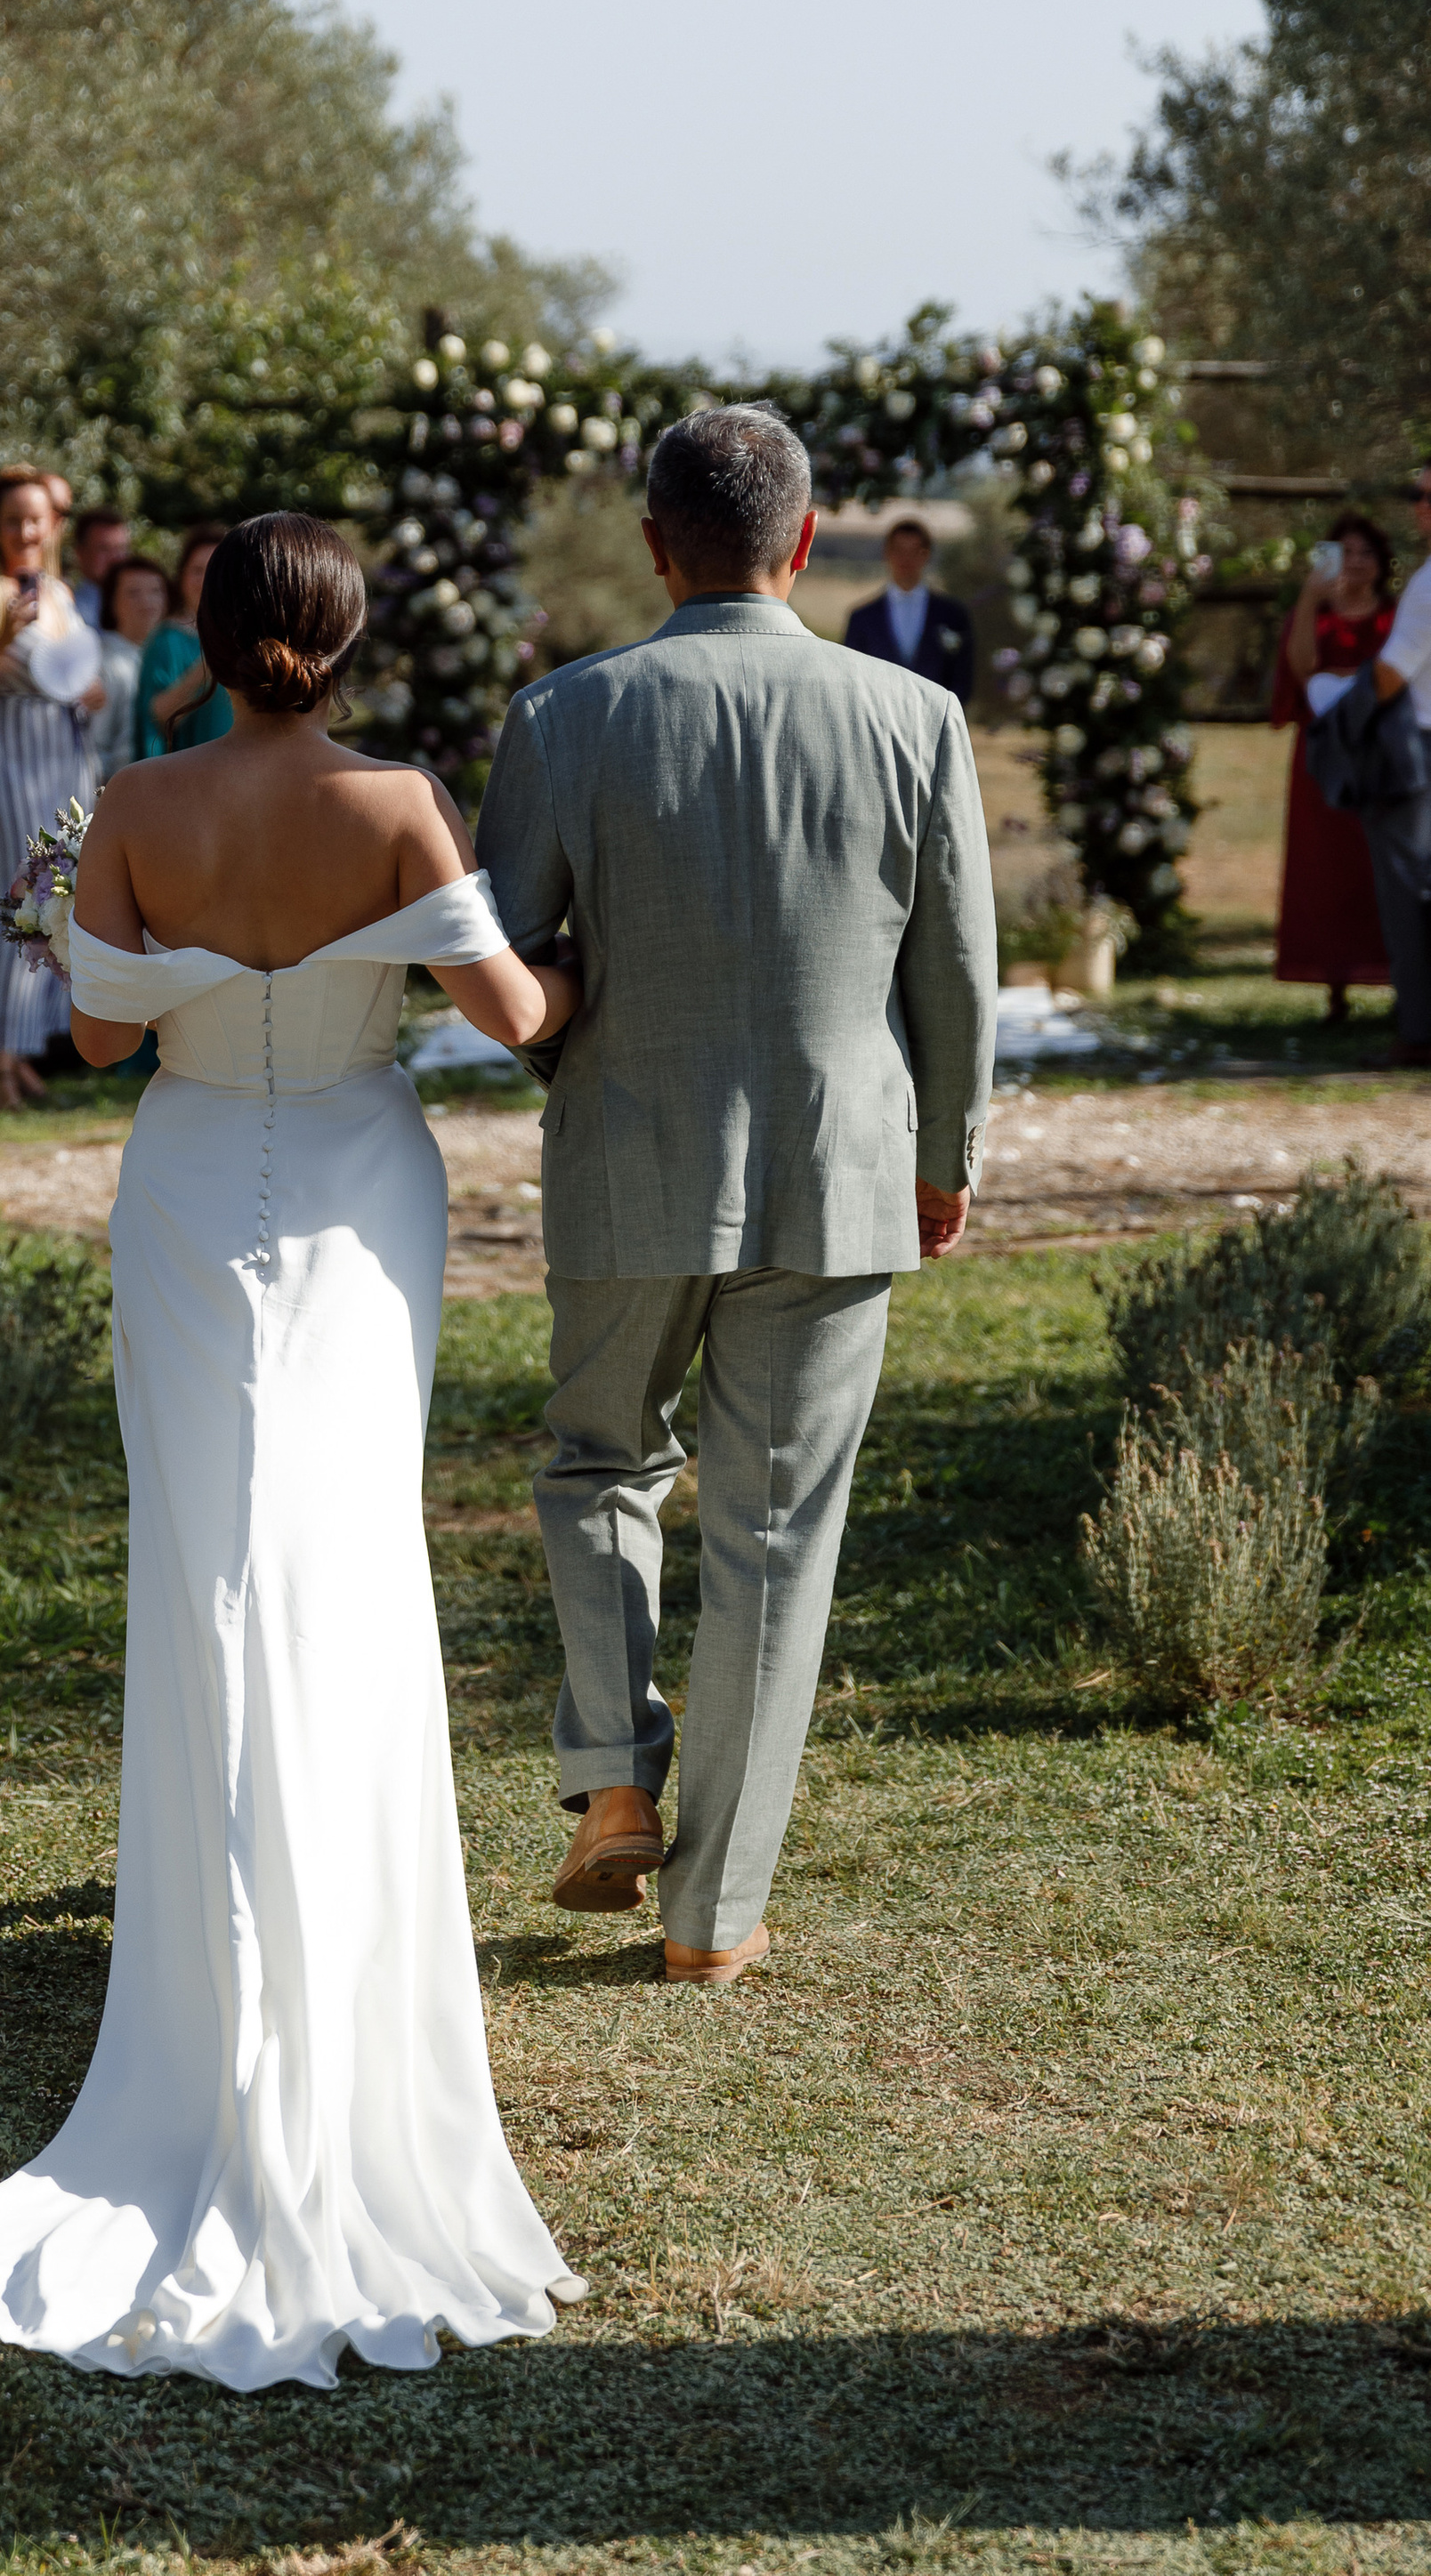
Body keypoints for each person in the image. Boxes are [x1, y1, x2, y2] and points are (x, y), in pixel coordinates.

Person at [0, 513, 586, 2388]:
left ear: (199, 638)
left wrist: (77, 905)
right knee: (346, 1559)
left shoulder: (134, 800)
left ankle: (212, 1987)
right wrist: (580, 953)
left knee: (210, 1569)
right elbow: (516, 1016)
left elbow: (97, 1040)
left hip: (194, 1187)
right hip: (361, 1189)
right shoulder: (400, 802)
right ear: (348, 638)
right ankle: (345, 1963)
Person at [476, 405, 996, 1984]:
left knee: (598, 1463)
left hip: (628, 1150)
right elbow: (959, 976)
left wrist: (573, 1059)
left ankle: (613, 1780)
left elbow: (503, 963)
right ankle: (711, 1922)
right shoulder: (915, 717)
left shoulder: (562, 716)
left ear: (654, 544)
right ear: (808, 536)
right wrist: (946, 1154)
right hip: (841, 1169)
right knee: (776, 1537)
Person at [0, 464, 108, 1110]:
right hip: (7, 754)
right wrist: (2, 637)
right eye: (12, 520)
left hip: (66, 756)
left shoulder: (64, 595)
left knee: (60, 902)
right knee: (16, 901)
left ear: (52, 524)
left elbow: (82, 680)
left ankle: (22, 1054)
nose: (25, 531)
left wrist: (91, 690)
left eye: (35, 518)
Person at [1272, 512, 1394, 1022]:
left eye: (1367, 552)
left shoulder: (1397, 616)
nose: (1357, 562)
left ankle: (1400, 981)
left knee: (1384, 862)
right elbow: (1301, 668)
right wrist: (1308, 600)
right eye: (1347, 552)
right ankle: (1334, 985)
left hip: (1381, 749)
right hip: (1324, 752)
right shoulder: (1315, 617)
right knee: (1324, 867)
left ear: (1382, 562)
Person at [1364, 463, 1431, 1064]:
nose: (1420, 505)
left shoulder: (1428, 585)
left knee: (1407, 889)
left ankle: (1418, 1030)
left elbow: (1391, 674)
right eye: (1416, 493)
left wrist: (1347, 709)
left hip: (1419, 747)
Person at [842, 514, 974, 701]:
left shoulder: (952, 615)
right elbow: (851, 680)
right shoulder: (862, 618)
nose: (906, 559)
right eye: (899, 550)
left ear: (926, 555)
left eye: (914, 551)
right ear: (887, 553)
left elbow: (962, 679)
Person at [135, 521, 230, 757]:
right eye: (197, 570)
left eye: (215, 569)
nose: (205, 579)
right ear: (182, 576)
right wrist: (206, 666)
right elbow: (159, 717)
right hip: (191, 767)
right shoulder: (166, 640)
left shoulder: (247, 637)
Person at [93, 553, 170, 784]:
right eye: (133, 593)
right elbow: (96, 746)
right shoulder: (104, 663)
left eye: (155, 591)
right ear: (111, 602)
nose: (147, 602)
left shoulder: (168, 654)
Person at [69, 505, 133, 629]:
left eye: (121, 549)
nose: (116, 558)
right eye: (104, 549)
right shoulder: (70, 610)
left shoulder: (146, 604)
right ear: (80, 553)